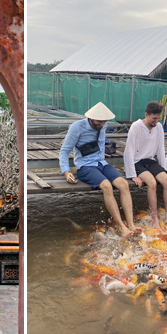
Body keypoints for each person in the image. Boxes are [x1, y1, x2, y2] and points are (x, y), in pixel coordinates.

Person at [60, 102, 136, 237]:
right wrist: (66, 172)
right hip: (85, 166)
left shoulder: (103, 125)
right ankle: (121, 227)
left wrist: (101, 153)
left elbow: (101, 141)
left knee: (124, 184)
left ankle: (131, 224)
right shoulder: (76, 128)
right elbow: (64, 151)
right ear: (91, 118)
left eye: (104, 121)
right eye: (99, 121)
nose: (101, 124)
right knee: (107, 186)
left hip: (101, 163)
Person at [124, 101, 167, 228]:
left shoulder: (159, 127)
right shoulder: (136, 127)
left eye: (158, 118)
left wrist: (165, 170)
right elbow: (128, 151)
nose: (156, 121)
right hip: (137, 162)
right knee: (152, 183)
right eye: (154, 118)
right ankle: (154, 217)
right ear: (146, 115)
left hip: (150, 160)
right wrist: (132, 175)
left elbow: (161, 150)